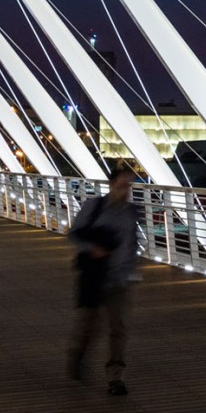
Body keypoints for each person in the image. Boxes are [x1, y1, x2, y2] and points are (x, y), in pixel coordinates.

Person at [67, 167, 142, 396]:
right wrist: (93, 249)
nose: (126, 190)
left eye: (129, 186)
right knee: (88, 325)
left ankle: (115, 377)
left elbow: (131, 242)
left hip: (120, 279)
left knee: (118, 328)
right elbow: (74, 233)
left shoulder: (131, 211)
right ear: (112, 185)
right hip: (95, 276)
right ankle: (78, 357)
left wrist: (132, 269)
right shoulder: (94, 206)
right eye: (122, 185)